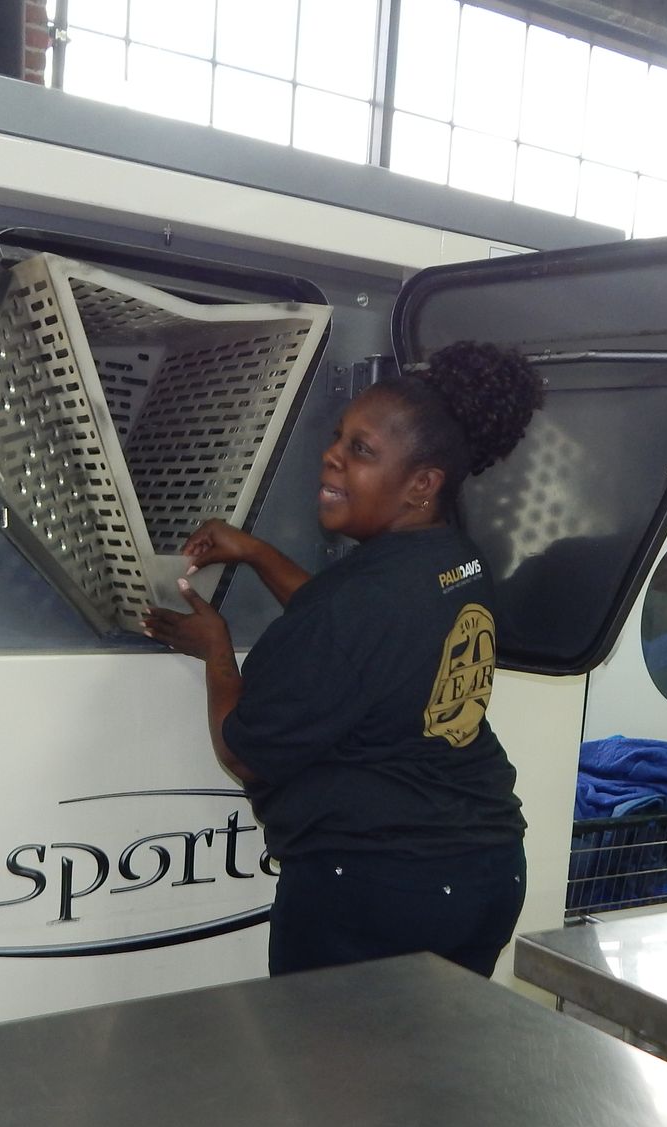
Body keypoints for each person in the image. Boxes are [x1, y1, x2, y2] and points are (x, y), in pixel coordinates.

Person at [143, 341, 541, 979]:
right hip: (483, 869)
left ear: (421, 485)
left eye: (360, 450)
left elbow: (243, 749)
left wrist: (216, 649)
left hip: (379, 889)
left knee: (323, 1075)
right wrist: (255, 552)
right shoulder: (452, 559)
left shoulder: (363, 600)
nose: (331, 455)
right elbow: (356, 631)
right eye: (339, 438)